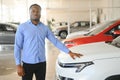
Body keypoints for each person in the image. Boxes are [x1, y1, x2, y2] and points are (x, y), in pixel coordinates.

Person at [14, 4, 83, 80]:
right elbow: (17, 46)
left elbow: (55, 41)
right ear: (29, 12)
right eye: (33, 11)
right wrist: (18, 65)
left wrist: (69, 52)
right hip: (27, 63)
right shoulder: (22, 27)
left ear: (40, 13)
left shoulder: (44, 28)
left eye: (38, 11)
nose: (35, 13)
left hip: (41, 63)